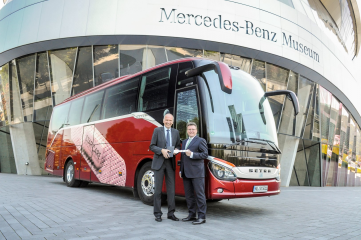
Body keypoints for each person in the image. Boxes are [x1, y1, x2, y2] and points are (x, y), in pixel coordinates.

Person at [149, 113, 180, 222]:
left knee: (171, 190)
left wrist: (176, 150)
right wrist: (161, 150)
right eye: (167, 120)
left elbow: (178, 145)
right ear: (163, 120)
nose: (168, 122)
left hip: (170, 163)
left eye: (170, 120)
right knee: (157, 190)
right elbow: (152, 146)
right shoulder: (157, 131)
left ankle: (171, 214)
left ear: (172, 121)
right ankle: (157, 213)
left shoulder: (176, 132)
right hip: (159, 163)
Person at [180, 122, 208, 225]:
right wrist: (180, 170)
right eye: (189, 129)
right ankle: (191, 215)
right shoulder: (184, 141)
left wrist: (192, 154)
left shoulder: (201, 141)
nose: (191, 131)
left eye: (193, 129)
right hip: (186, 173)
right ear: (187, 131)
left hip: (197, 173)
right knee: (189, 196)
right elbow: (183, 157)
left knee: (200, 195)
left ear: (196, 131)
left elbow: (205, 154)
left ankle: (201, 217)